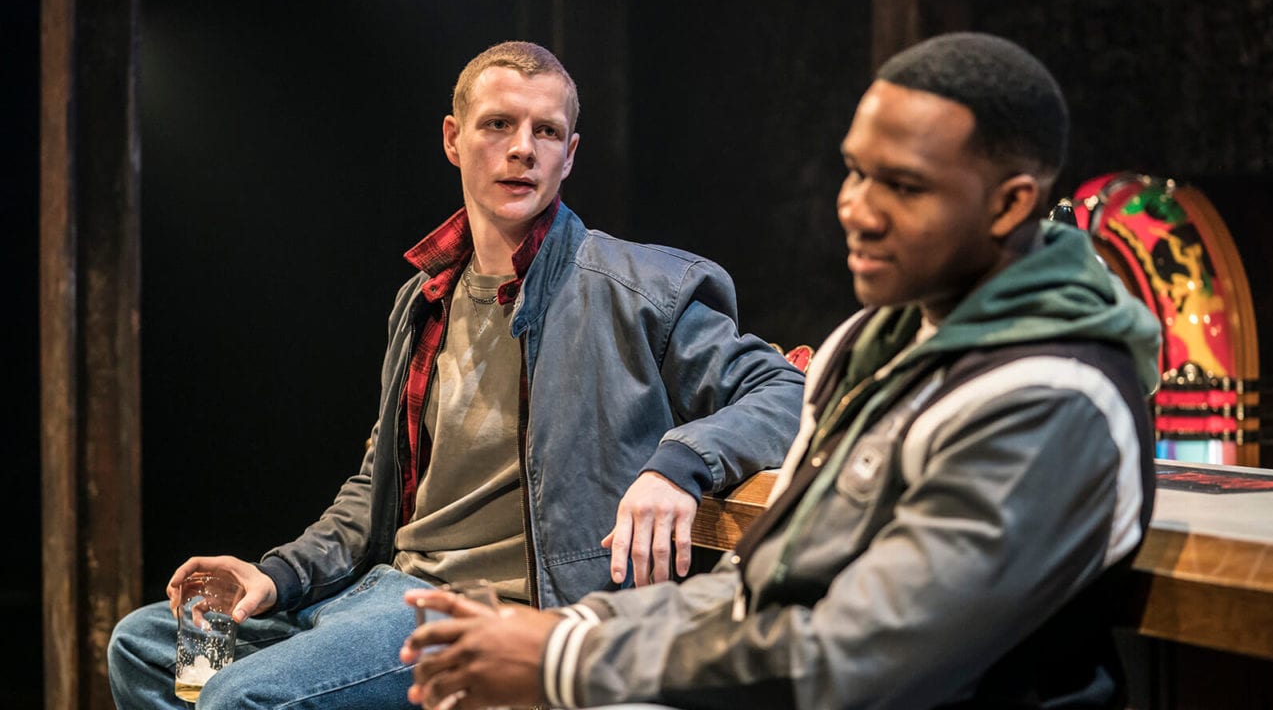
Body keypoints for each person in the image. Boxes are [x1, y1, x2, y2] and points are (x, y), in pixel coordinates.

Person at [400, 32, 1163, 709]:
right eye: (855, 172)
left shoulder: (1053, 393)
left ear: (1010, 205)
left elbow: (859, 663)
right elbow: (761, 584)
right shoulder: (870, 344)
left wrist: (562, 658)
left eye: (902, 185)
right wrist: (573, 628)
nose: (855, 209)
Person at [108, 40, 805, 708]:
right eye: (499, 123)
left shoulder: (640, 289)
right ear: (453, 138)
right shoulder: (425, 299)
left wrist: (674, 466)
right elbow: (374, 491)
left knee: (240, 695)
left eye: (547, 131)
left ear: (569, 156)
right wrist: (275, 574)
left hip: (475, 613)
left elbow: (786, 390)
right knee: (144, 646)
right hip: (380, 594)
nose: (523, 147)